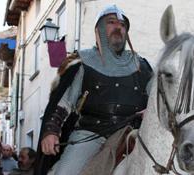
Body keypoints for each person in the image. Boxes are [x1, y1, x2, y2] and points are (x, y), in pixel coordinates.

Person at [34, 4, 153, 175]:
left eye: (122, 24)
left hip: (131, 133)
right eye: (111, 22)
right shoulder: (83, 62)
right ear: (99, 29)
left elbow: (158, 98)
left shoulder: (142, 65)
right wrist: (51, 131)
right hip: (91, 134)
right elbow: (64, 102)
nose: (118, 27)